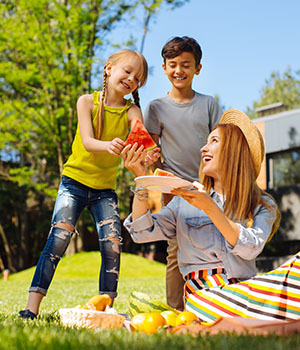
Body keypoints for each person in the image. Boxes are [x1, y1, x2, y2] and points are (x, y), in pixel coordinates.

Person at [122, 109, 300, 322]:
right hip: (204, 298)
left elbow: (251, 248)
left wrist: (210, 207)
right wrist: (142, 181)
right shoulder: (184, 200)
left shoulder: (262, 204)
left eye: (213, 141)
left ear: (234, 151)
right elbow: (142, 233)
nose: (203, 148)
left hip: (246, 289)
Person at [19, 49, 159, 320]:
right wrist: (109, 145)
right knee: (57, 240)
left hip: (104, 191)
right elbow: (87, 141)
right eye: (127, 71)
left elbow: (139, 136)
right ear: (108, 68)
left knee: (112, 244)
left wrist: (149, 151)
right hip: (73, 183)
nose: (132, 79)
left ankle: (106, 308)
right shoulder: (87, 102)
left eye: (138, 78)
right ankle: (31, 307)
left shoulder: (132, 110)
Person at [143, 36, 223, 310]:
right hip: (174, 191)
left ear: (197, 68)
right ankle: (176, 309)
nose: (179, 70)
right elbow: (152, 153)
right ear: (164, 68)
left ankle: (215, 303)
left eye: (186, 65)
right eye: (173, 64)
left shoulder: (209, 104)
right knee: (176, 252)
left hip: (208, 188)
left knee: (215, 246)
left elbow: (221, 144)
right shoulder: (156, 108)